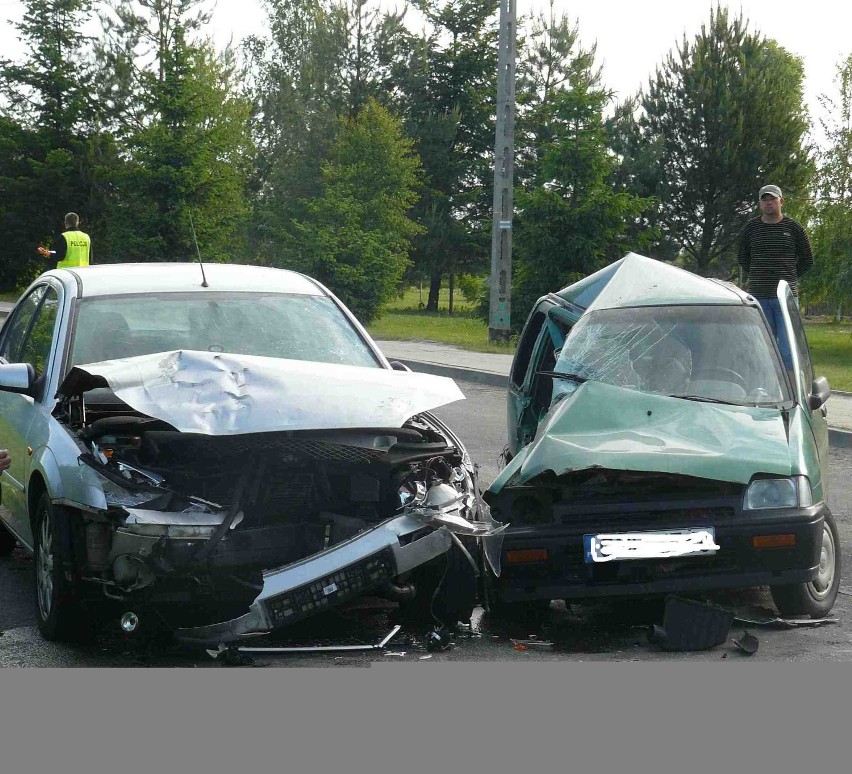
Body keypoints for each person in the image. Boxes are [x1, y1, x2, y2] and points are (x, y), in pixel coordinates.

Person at [737, 184, 813, 369]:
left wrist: (789, 279)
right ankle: (766, 388)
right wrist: (759, 274)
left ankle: (792, 392)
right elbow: (742, 258)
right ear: (760, 204)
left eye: (773, 199)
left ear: (781, 202)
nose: (769, 203)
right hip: (759, 297)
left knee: (788, 349)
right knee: (761, 348)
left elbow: (807, 259)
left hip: (785, 299)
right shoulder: (751, 228)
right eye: (765, 200)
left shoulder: (793, 228)